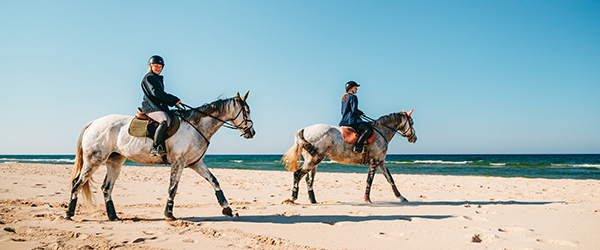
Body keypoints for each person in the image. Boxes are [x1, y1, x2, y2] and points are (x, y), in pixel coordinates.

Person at [140, 55, 181, 156]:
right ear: (150, 66)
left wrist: (173, 102)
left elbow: (160, 96)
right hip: (151, 107)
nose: (158, 68)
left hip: (157, 106)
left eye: (160, 66)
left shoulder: (157, 78)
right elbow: (156, 93)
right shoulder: (149, 78)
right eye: (156, 66)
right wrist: (173, 99)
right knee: (164, 120)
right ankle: (155, 147)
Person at [339, 80, 373, 153]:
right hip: (352, 120)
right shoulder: (353, 97)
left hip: (344, 120)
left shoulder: (344, 98)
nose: (356, 89)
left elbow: (343, 111)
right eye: (355, 87)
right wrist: (361, 113)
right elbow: (354, 110)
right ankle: (358, 146)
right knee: (368, 129)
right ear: (351, 88)